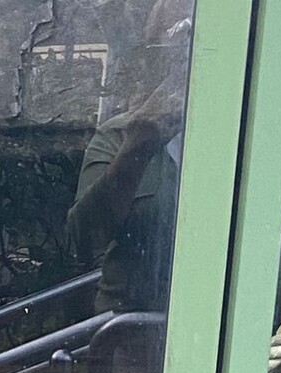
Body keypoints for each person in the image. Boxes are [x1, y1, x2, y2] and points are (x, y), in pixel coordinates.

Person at [67, 0, 194, 314]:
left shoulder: (244, 135)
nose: (183, 56)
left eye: (191, 40)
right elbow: (83, 240)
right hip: (132, 327)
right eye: (175, 39)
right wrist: (137, 147)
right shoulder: (120, 134)